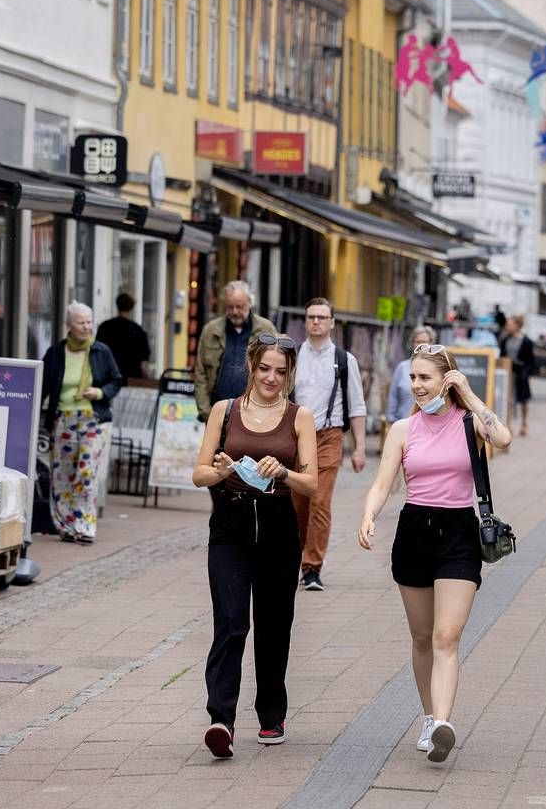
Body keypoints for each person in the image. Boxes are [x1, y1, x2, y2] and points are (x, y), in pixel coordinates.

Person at [357, 343, 513, 763]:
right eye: (412, 378)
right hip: (414, 532)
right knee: (423, 638)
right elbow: (383, 482)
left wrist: (471, 394)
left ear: (446, 379)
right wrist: (369, 514)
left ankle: (443, 723)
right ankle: (428, 717)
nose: (416, 386)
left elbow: (503, 437)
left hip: (460, 534)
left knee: (447, 636)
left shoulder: (469, 423)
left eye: (425, 378)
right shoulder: (402, 430)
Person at [191, 332, 319, 757]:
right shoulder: (224, 411)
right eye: (265, 368)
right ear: (250, 366)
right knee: (230, 621)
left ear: (290, 373)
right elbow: (199, 474)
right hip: (230, 522)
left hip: (280, 526)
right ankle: (221, 719)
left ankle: (271, 715)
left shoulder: (300, 417)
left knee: (273, 626)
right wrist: (223, 470)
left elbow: (312, 484)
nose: (272, 378)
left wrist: (282, 472)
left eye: (281, 371)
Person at [290, 298, 367, 592]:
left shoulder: (344, 360)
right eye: (311, 317)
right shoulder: (294, 356)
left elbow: (356, 406)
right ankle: (293, 560)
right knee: (297, 504)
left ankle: (312, 568)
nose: (316, 322)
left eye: (322, 317)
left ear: (332, 322)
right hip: (297, 437)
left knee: (320, 501)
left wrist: (359, 447)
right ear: (305, 321)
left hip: (329, 436)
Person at [38, 303, 123, 544]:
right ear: (69, 326)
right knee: (63, 474)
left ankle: (84, 525)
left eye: (89, 322)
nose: (87, 327)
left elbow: (116, 381)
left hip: (93, 420)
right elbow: (42, 386)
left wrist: (98, 392)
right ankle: (65, 525)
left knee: (86, 472)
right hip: (63, 420)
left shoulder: (101, 351)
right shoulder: (56, 353)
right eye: (81, 322)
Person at [196, 281, 277, 417]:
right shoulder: (211, 331)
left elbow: (278, 368)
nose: (234, 312)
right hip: (217, 414)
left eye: (239, 307)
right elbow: (201, 373)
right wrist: (206, 412)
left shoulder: (266, 330)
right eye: (230, 307)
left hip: (255, 414)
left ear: (250, 303)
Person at [96, 292, 152, 382]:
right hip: (131, 377)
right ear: (131, 308)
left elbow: (97, 351)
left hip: (108, 376)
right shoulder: (137, 330)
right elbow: (145, 355)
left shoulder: (105, 326)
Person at [390, 326, 438, 426]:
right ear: (412, 343)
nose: (421, 345)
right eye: (418, 341)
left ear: (431, 343)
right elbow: (393, 396)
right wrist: (391, 420)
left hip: (429, 427)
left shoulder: (437, 370)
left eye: (425, 341)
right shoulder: (402, 368)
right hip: (404, 425)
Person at [501, 315, 535, 437]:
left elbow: (531, 361)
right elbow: (502, 356)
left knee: (523, 399)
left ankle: (524, 423)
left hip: (521, 374)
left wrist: (526, 373)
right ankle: (508, 425)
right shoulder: (505, 340)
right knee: (508, 399)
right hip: (508, 373)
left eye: (509, 324)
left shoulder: (527, 342)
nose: (507, 327)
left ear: (517, 325)